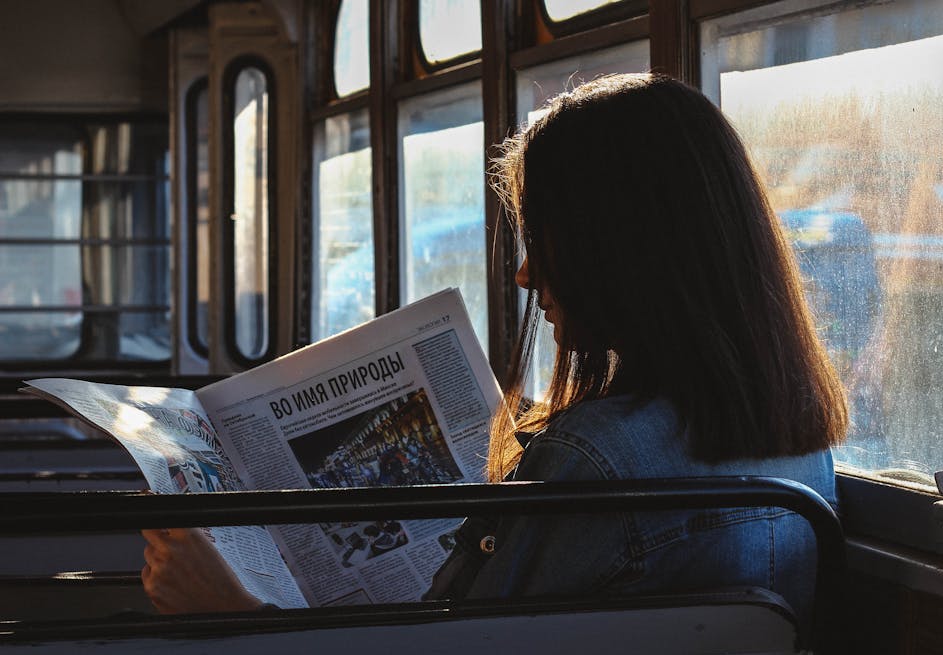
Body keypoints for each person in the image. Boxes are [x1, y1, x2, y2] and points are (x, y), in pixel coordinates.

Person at [141, 73, 847, 625]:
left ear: (621, 254)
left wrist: (235, 611)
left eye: (543, 242)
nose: (525, 273)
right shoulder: (800, 448)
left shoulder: (593, 462)